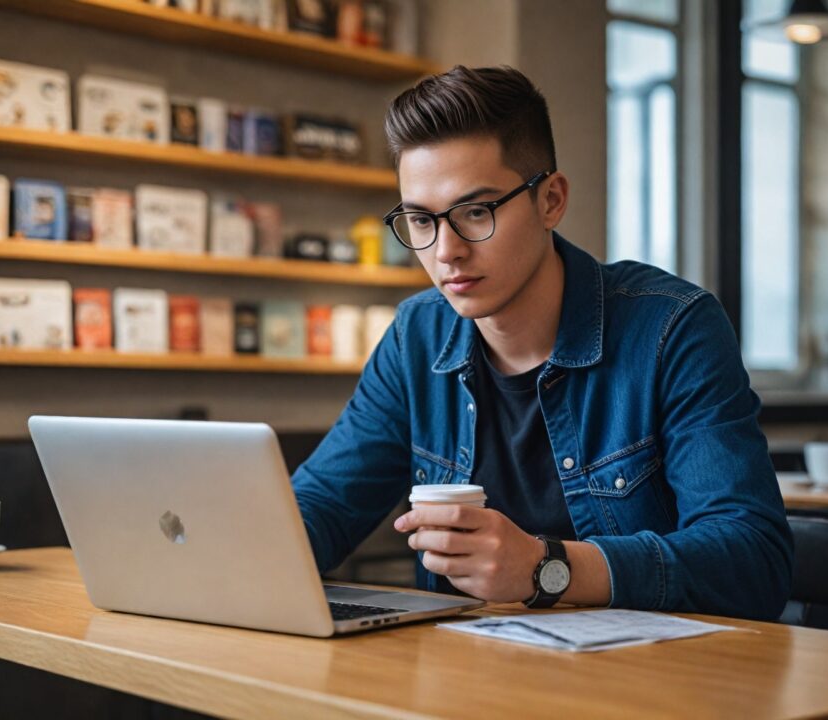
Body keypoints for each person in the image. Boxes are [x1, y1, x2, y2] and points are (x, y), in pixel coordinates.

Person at [291, 65, 792, 620]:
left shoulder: (673, 328)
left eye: (475, 212)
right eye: (420, 219)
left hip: (646, 682)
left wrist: (544, 568)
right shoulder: (418, 335)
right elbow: (322, 505)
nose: (445, 251)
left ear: (550, 200)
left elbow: (753, 560)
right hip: (461, 680)